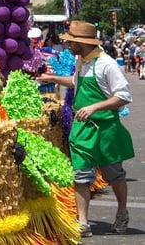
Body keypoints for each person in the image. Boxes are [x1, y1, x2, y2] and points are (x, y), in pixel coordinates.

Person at [35, 21, 133, 238]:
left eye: (71, 42)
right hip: (82, 131)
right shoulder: (81, 62)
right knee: (81, 176)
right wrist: (51, 78)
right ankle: (83, 222)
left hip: (105, 130)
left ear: (82, 43)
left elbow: (124, 96)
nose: (68, 45)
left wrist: (94, 107)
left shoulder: (107, 64)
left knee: (114, 175)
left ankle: (122, 212)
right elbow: (75, 82)